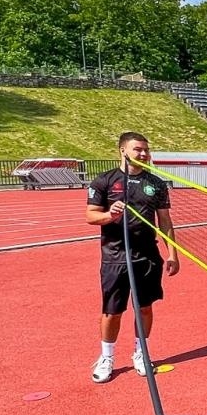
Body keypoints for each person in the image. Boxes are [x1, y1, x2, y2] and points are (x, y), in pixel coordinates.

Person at [85, 132, 179, 383]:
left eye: (146, 150)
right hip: (115, 257)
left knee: (145, 308)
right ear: (123, 151)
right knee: (112, 312)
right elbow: (91, 216)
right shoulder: (104, 181)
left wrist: (172, 253)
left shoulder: (156, 183)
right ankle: (106, 357)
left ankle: (141, 353)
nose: (144, 154)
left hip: (147, 256)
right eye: (138, 149)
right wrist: (110, 216)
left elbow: (166, 221)